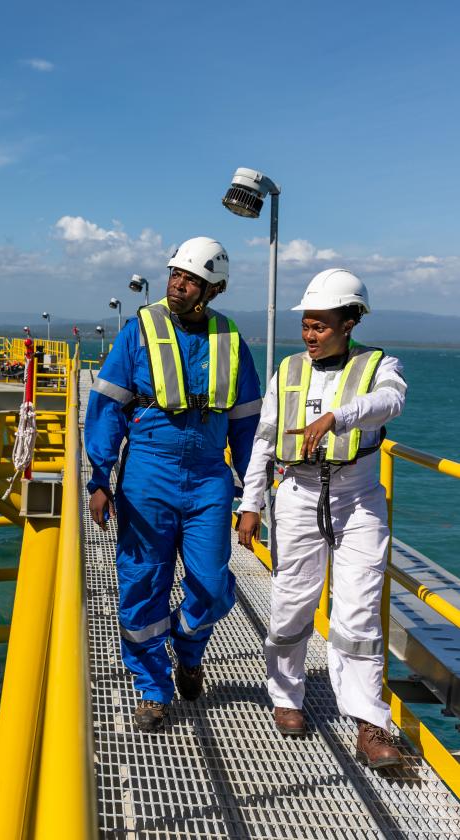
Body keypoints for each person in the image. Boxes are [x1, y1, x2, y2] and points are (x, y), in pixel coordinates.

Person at [85, 236, 262, 732]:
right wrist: (100, 479)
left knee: (211, 584)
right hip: (148, 472)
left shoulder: (231, 341)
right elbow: (106, 406)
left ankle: (188, 648)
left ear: (214, 289)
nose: (178, 285)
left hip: (209, 477)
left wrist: (254, 493)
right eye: (175, 275)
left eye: (191, 280)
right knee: (143, 583)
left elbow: (249, 424)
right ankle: (152, 689)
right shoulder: (140, 331)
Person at [236, 268, 406, 769]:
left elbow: (392, 400)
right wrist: (250, 504)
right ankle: (287, 697)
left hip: (358, 499)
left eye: (320, 326)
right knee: (292, 603)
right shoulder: (287, 371)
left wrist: (339, 416)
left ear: (349, 323)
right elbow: (264, 442)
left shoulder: (379, 365)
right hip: (299, 493)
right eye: (306, 325)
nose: (309, 335)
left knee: (358, 613)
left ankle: (369, 722)